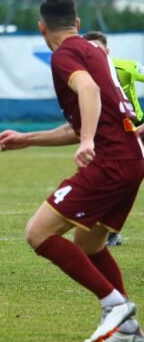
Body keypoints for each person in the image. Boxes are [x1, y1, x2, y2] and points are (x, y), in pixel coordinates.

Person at [0, 0, 144, 342]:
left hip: (109, 160)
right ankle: (129, 329)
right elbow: (81, 121)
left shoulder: (64, 55)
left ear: (41, 27)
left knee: (38, 233)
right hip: (132, 159)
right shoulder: (94, 52)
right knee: (89, 244)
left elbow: (88, 93)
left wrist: (88, 142)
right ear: (77, 24)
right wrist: (27, 139)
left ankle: (114, 306)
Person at [82, 30, 144, 247]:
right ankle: (109, 232)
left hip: (137, 130)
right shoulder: (81, 77)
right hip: (109, 135)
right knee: (109, 182)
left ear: (107, 52)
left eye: (97, 50)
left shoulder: (126, 67)